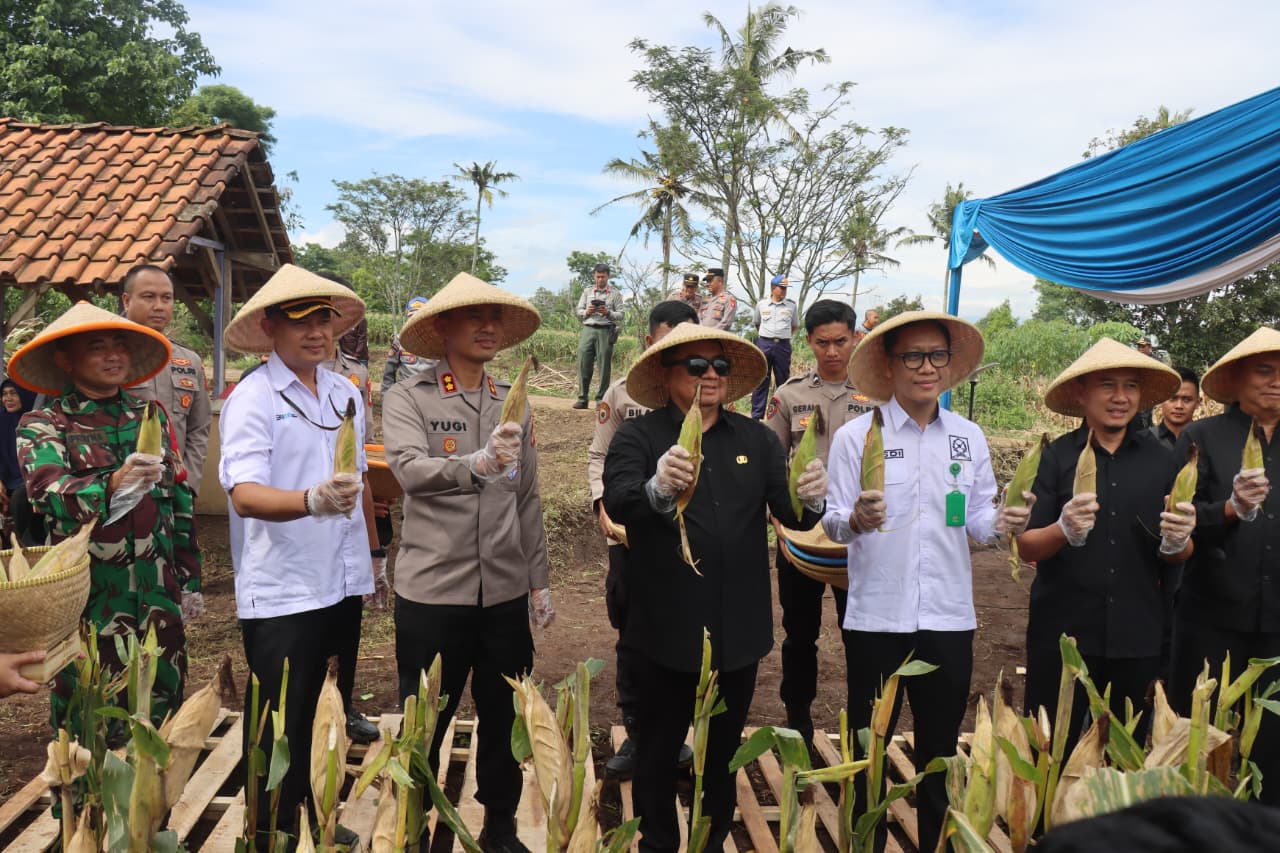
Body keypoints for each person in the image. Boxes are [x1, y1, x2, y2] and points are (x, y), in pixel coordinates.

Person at [603, 321, 828, 853]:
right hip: (664, 627)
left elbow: (788, 511)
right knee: (658, 751)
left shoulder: (753, 437)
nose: (711, 375)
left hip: (736, 629)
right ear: (666, 372)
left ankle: (708, 841)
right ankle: (659, 842)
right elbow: (619, 502)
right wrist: (658, 488)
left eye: (720, 366)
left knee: (723, 751)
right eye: (696, 365)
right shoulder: (640, 436)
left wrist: (812, 496)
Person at [822, 310, 1032, 853]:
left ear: (949, 364)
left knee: (939, 752)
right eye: (912, 356)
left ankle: (934, 842)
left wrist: (1005, 521)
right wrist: (858, 520)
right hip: (876, 618)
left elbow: (978, 523)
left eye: (936, 355)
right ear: (889, 366)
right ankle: (863, 843)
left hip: (947, 616)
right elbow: (834, 520)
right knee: (869, 749)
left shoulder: (967, 437)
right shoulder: (855, 437)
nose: (926, 367)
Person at [383, 271, 552, 853]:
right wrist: (474, 465)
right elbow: (406, 469)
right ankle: (416, 826)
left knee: (505, 717)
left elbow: (527, 496)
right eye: (473, 317)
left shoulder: (515, 401)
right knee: (426, 716)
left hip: (503, 592)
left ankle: (500, 826)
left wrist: (539, 582)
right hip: (434, 591)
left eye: (495, 319)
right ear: (442, 327)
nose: (487, 328)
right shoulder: (411, 396)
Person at [219, 265, 384, 847]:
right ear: (269, 328)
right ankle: (270, 831)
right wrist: (310, 500)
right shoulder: (253, 398)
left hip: (340, 579)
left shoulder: (344, 392)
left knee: (322, 710)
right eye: (300, 322)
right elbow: (243, 495)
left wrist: (374, 554)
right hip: (284, 586)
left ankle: (315, 815)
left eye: (323, 320)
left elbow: (360, 478)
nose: (317, 333)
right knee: (275, 723)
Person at [11, 300, 200, 730]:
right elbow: (48, 493)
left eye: (120, 345)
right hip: (88, 605)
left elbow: (179, 499)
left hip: (157, 600)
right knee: (89, 729)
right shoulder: (44, 424)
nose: (113, 355)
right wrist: (113, 484)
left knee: (161, 726)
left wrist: (190, 579)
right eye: (97, 347)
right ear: (65, 359)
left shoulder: (149, 416)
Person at [1016, 338, 1192, 752]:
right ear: (1081, 392)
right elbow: (1027, 547)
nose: (1120, 397)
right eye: (1107, 385)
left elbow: (1181, 555)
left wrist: (1180, 539)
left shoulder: (1166, 461)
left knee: (1123, 760)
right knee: (1046, 756)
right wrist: (1062, 528)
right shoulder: (1053, 458)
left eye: (1130, 386)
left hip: (1137, 638)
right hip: (1062, 640)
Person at [587, 299, 699, 779]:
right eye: (672, 338)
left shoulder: (704, 391)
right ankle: (636, 729)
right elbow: (598, 456)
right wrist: (602, 509)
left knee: (685, 632)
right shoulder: (620, 394)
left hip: (684, 547)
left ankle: (677, 734)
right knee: (633, 634)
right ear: (653, 342)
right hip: (630, 539)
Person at [1168, 326, 1280, 805]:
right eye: (1264, 370)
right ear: (1235, 379)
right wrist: (1231, 508)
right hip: (1211, 615)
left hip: (1278, 621)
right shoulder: (1200, 437)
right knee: (1201, 738)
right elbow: (1176, 520)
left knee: (1273, 746)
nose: (1276, 381)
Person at [764, 300, 876, 742]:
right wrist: (776, 518)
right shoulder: (789, 395)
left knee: (861, 633)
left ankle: (864, 725)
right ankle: (798, 721)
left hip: (858, 537)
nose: (832, 351)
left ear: (855, 338)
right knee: (799, 636)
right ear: (808, 341)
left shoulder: (878, 395)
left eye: (841, 341)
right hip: (799, 535)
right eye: (823, 342)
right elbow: (770, 461)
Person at [120, 264, 213, 495]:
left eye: (167, 298)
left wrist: (189, 484)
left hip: (174, 492)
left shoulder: (188, 361)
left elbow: (199, 428)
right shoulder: (105, 358)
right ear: (126, 300)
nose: (159, 306)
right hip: (116, 488)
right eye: (148, 297)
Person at [0, 377, 44, 545]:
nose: (7, 399)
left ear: (25, 395)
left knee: (20, 498)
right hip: (7, 479)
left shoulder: (37, 421)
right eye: (4, 394)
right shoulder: (2, 419)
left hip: (31, 480)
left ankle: (26, 545)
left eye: (13, 393)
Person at [574, 263, 624, 409]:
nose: (600, 279)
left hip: (605, 330)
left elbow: (621, 314)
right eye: (598, 276)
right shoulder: (587, 291)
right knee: (584, 363)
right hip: (588, 329)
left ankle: (601, 400)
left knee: (604, 367)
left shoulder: (614, 293)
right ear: (594, 276)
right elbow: (578, 310)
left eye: (603, 277)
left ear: (608, 276)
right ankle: (582, 399)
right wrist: (587, 312)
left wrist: (607, 313)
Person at [750, 273, 799, 419]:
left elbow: (794, 325)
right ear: (773, 288)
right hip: (764, 343)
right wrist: (768, 337)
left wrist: (781, 336)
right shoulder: (762, 304)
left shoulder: (791, 305)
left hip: (782, 346)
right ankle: (756, 417)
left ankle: (782, 415)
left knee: (783, 381)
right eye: (781, 288)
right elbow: (757, 323)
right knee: (761, 379)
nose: (783, 291)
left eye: (785, 288)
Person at [382, 295, 436, 395]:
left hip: (431, 396)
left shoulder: (437, 341)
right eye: (412, 317)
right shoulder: (400, 340)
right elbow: (389, 373)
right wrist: (386, 397)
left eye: (420, 316)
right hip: (406, 395)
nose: (415, 320)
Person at [1149, 366, 1201, 450]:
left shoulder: (1207, 442)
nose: (1179, 406)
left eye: (1187, 400)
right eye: (1172, 398)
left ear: (1198, 402)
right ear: (1161, 399)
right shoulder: (1143, 441)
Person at [698, 268, 738, 332]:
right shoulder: (705, 300)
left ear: (720, 282)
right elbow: (699, 318)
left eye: (710, 281)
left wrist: (710, 333)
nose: (708, 284)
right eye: (707, 281)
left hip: (719, 338)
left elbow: (726, 323)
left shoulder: (729, 299)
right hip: (702, 337)